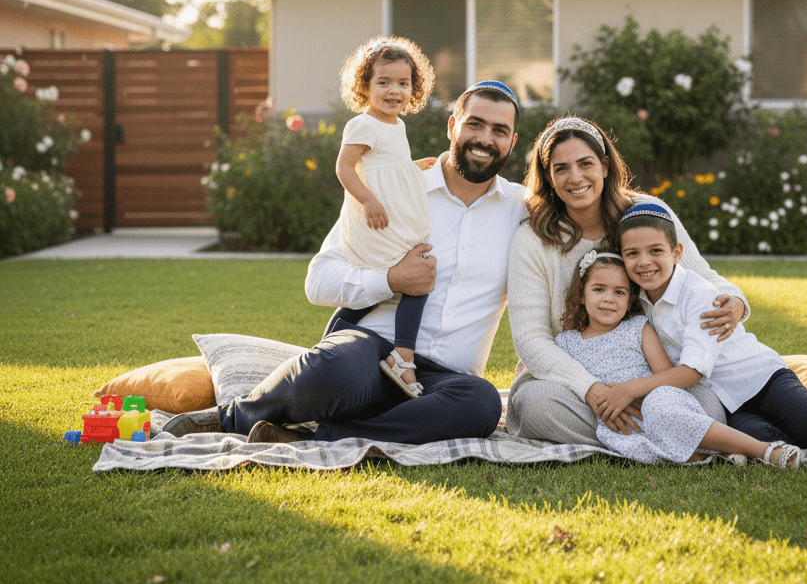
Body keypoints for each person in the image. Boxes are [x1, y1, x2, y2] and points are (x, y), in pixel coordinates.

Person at [165, 80, 524, 445]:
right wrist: (392, 279)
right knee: (338, 368)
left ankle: (325, 436)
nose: (484, 139)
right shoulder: (392, 187)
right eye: (474, 124)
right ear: (452, 126)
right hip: (371, 356)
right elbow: (319, 279)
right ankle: (234, 418)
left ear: (512, 142)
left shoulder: (522, 211)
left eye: (499, 130)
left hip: (444, 381)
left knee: (480, 405)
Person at [506, 115, 750, 447]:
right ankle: (663, 439)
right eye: (560, 168)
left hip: (656, 380)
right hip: (573, 385)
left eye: (585, 163)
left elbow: (706, 279)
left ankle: (649, 434)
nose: (575, 177)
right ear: (548, 177)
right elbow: (531, 341)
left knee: (708, 405)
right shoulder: (532, 238)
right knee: (534, 403)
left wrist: (733, 300)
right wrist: (596, 392)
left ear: (605, 165)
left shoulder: (647, 212)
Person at [617, 201, 807, 462]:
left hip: (762, 378)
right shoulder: (639, 301)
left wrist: (630, 389)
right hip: (729, 402)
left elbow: (693, 370)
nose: (644, 262)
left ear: (677, 252)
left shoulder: (699, 295)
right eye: (632, 254)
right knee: (768, 439)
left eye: (655, 250)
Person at [557, 249, 803, 468]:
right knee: (627, 441)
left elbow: (665, 374)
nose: (608, 298)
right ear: (581, 295)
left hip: (663, 403)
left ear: (630, 299)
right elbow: (556, 375)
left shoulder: (637, 327)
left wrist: (637, 394)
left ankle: (764, 451)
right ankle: (710, 456)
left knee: (660, 407)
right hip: (621, 423)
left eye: (619, 292)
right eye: (598, 289)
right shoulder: (566, 342)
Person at [333, 36, 436, 398]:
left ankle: (327, 345)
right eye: (384, 82)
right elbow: (345, 168)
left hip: (389, 219)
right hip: (374, 221)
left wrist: (412, 168)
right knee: (418, 275)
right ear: (365, 86)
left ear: (414, 88)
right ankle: (402, 357)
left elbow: (385, 166)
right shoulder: (362, 124)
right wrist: (367, 201)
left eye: (403, 83)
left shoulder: (396, 125)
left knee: (379, 290)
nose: (395, 91)